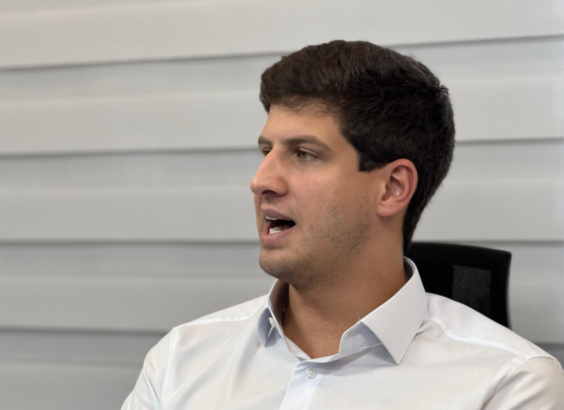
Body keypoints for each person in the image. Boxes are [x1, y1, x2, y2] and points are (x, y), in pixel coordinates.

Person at [122, 40, 563, 409]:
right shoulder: (180, 359)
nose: (261, 181)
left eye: (304, 154)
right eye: (266, 152)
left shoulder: (508, 384)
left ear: (392, 188)